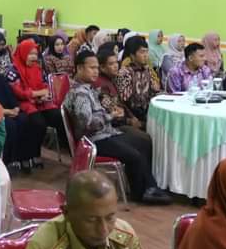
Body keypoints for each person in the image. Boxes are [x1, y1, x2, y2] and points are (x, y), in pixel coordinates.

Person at [64, 50, 170, 204]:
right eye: (91, 68)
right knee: (135, 155)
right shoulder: (80, 93)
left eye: (96, 68)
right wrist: (110, 116)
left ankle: (149, 186)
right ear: (79, 68)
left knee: (143, 142)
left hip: (105, 133)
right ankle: (141, 193)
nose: (96, 71)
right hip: (93, 140)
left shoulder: (88, 88)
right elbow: (87, 124)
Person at [23, 170, 155, 249]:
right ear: (67, 213)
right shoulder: (45, 246)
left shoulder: (126, 238)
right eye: (91, 220)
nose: (103, 230)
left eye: (110, 217)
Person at [7, 38, 61, 167]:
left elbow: (45, 85)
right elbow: (19, 93)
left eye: (35, 54)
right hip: (21, 103)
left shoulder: (37, 68)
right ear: (23, 53)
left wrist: (44, 94)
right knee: (38, 123)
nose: (34, 57)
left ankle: (36, 152)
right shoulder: (13, 71)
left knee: (56, 115)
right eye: (30, 54)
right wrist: (38, 94)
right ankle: (26, 155)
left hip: (39, 101)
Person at [115, 36, 160, 124]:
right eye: (142, 52)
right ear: (132, 55)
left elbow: (153, 91)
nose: (146, 55)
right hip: (132, 116)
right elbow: (124, 100)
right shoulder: (124, 73)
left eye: (147, 52)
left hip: (147, 112)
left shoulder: (147, 70)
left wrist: (155, 89)